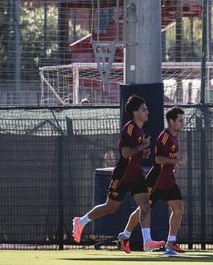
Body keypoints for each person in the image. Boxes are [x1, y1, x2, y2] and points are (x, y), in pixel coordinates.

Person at [71, 95, 163, 253]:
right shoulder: (129, 129)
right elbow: (126, 153)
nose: (147, 112)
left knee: (145, 205)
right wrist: (142, 147)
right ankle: (81, 222)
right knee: (110, 207)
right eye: (144, 109)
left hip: (136, 175)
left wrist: (142, 153)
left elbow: (133, 153)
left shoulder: (139, 130)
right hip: (123, 175)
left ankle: (147, 242)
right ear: (135, 112)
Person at [146, 106, 187, 255]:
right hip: (157, 180)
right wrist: (177, 161)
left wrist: (174, 164)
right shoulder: (164, 137)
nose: (182, 123)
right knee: (143, 210)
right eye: (180, 120)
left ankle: (171, 243)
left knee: (178, 209)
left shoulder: (175, 137)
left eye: (183, 120)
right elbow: (158, 159)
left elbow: (168, 157)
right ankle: (125, 234)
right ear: (171, 121)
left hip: (168, 180)